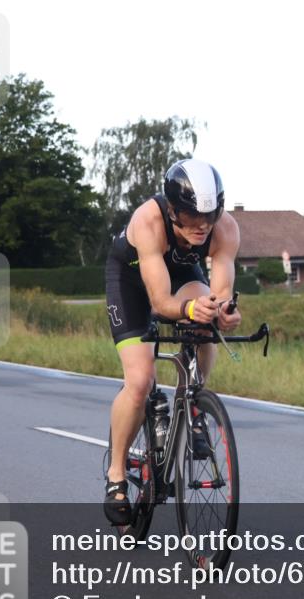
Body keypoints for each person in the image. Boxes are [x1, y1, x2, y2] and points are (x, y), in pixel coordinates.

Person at [103, 158, 242, 524]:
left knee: (207, 317)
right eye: (192, 216)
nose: (202, 226)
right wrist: (189, 308)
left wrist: (223, 311)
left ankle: (193, 402)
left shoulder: (225, 228)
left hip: (180, 275)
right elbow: (160, 303)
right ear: (172, 210)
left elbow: (221, 291)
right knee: (140, 381)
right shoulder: (149, 221)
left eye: (209, 216)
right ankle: (116, 474)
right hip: (133, 283)